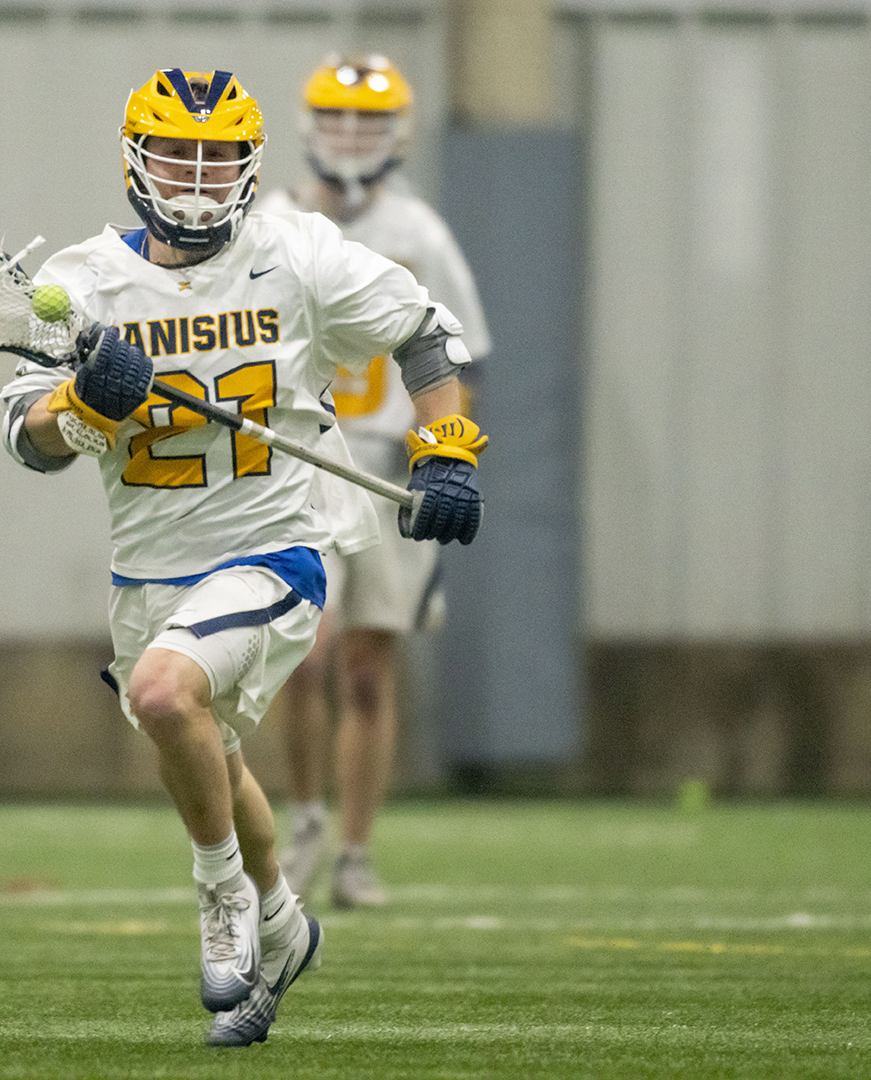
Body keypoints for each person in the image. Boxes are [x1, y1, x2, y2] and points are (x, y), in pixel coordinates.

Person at [0, 68, 487, 1046]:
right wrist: (84, 408)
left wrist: (448, 450)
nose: (196, 176)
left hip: (274, 549)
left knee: (164, 694)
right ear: (135, 159)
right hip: (150, 572)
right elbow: (27, 441)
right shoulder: (86, 285)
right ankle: (284, 922)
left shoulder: (296, 252)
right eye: (177, 153)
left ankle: (222, 897)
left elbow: (427, 335)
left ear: (252, 165)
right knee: (206, 748)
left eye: (218, 157)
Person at [256, 55, 494, 910]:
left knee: (366, 669)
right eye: (336, 117)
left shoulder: (418, 231)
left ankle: (355, 852)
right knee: (304, 653)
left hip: (387, 466)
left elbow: (462, 355)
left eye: (368, 121)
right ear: (306, 123)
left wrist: (447, 455)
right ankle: (306, 820)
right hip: (298, 467)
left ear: (398, 132)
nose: (351, 136)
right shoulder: (270, 223)